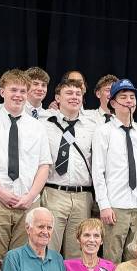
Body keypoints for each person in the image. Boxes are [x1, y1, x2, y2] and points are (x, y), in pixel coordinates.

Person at [0, 69, 52, 271]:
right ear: (2, 91)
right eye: (13, 90)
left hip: (27, 202)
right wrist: (0, 192)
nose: (18, 95)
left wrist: (29, 197)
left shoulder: (37, 127)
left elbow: (43, 165)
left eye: (22, 91)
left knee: (23, 259)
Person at [92, 79, 137, 264]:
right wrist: (104, 205)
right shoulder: (104, 131)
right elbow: (98, 172)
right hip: (116, 204)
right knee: (112, 257)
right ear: (112, 102)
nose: (129, 101)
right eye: (123, 97)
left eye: (132, 97)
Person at [42, 79, 98, 258]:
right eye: (69, 93)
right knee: (48, 248)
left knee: (77, 253)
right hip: (53, 192)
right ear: (57, 98)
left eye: (78, 94)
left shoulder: (93, 127)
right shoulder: (44, 124)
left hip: (83, 196)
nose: (74, 97)